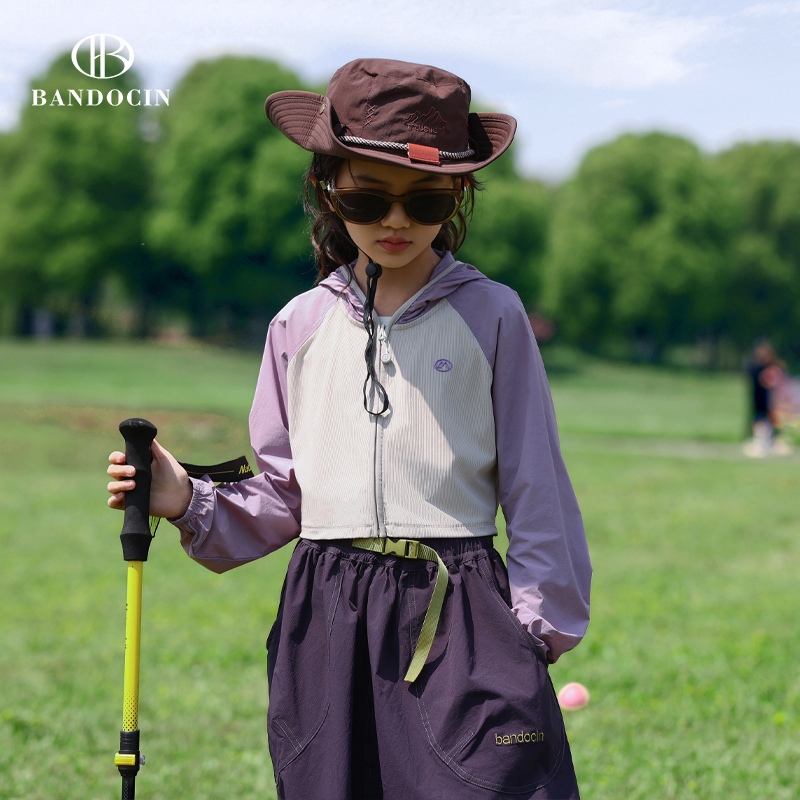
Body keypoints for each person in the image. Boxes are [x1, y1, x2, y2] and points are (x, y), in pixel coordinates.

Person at [106, 58, 592, 800]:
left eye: (425, 200)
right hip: (326, 617)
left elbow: (536, 482)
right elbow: (282, 495)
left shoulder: (494, 315)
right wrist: (183, 496)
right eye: (369, 198)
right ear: (327, 190)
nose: (396, 222)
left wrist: (532, 631)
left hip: (458, 606)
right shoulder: (296, 327)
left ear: (458, 193)